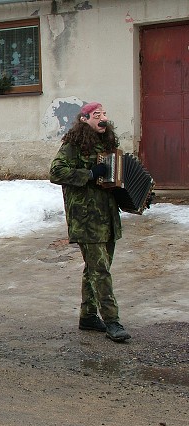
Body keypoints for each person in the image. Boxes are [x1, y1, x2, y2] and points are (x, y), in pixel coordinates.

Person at [49, 101, 131, 343]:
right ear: (85, 119)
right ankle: (112, 321)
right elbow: (56, 172)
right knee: (101, 270)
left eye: (104, 114)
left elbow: (118, 179)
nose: (103, 118)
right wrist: (89, 174)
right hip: (86, 219)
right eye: (97, 115)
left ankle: (87, 316)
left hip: (107, 217)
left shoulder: (108, 145)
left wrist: (136, 196)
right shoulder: (73, 145)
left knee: (95, 269)